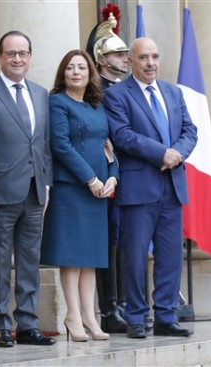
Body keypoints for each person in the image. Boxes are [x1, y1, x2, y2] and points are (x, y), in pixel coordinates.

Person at [103, 37, 197, 339]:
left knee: (170, 256)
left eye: (155, 57)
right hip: (138, 188)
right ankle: (136, 317)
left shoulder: (172, 92)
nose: (151, 63)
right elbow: (122, 135)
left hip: (172, 186)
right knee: (134, 257)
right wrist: (162, 153)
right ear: (130, 61)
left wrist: (178, 152)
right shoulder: (117, 95)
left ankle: (166, 317)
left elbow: (189, 130)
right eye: (143, 57)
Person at [0, 30, 55, 347]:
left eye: (23, 53)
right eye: (11, 53)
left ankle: (28, 324)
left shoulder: (40, 94)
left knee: (30, 263)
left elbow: (43, 145)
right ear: (0, 57)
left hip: (34, 193)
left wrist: (46, 185)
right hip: (0, 194)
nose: (17, 58)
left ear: (30, 57)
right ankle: (2, 325)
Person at [40, 50, 118, 342]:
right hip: (72, 189)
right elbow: (60, 145)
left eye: (81, 67)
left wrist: (112, 176)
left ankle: (90, 316)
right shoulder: (57, 102)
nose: (76, 72)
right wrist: (91, 178)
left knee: (91, 258)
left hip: (99, 191)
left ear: (90, 73)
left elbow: (107, 146)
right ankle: (72, 315)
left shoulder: (97, 105)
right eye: (70, 68)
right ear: (63, 74)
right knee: (72, 257)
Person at [86, 11, 129, 333]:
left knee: (128, 241)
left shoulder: (127, 87)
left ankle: (126, 303)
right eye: (117, 52)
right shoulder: (95, 91)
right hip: (106, 173)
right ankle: (108, 307)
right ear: (101, 57)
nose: (124, 58)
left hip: (133, 176)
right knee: (109, 241)